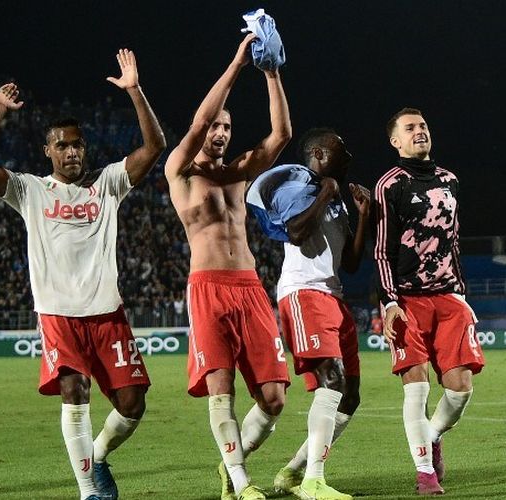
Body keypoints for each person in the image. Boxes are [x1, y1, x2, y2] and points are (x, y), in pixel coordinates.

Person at [0, 48, 165, 500]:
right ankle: (87, 492)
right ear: (48, 150)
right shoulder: (31, 190)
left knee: (133, 406)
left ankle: (96, 456)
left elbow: (155, 147)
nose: (71, 151)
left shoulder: (107, 183)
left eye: (77, 144)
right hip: (59, 315)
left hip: (107, 314)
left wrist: (134, 91)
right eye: (62, 144)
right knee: (74, 392)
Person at [165, 33, 291, 500]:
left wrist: (271, 73)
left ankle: (229, 465)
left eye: (226, 127)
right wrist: (238, 60)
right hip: (208, 287)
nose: (219, 132)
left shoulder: (239, 170)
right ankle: (241, 483)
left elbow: (282, 137)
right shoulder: (180, 169)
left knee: (274, 398)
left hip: (250, 286)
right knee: (222, 392)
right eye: (215, 126)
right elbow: (198, 121)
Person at [249, 129, 369, 499]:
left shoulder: (337, 201)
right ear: (318, 153)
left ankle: (293, 471)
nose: (348, 153)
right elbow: (296, 232)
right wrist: (325, 194)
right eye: (340, 148)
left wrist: (363, 217)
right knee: (331, 382)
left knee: (349, 395)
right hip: (303, 294)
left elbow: (349, 262)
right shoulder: (296, 187)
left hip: (334, 294)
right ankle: (315, 481)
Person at [374, 108, 485, 495]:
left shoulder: (450, 181)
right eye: (410, 128)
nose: (419, 131)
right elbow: (383, 250)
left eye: (422, 126)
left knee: (460, 389)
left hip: (448, 296)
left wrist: (462, 295)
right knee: (416, 389)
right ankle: (425, 473)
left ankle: (433, 435)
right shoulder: (391, 184)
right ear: (396, 141)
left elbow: (453, 242)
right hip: (406, 300)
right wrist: (389, 302)